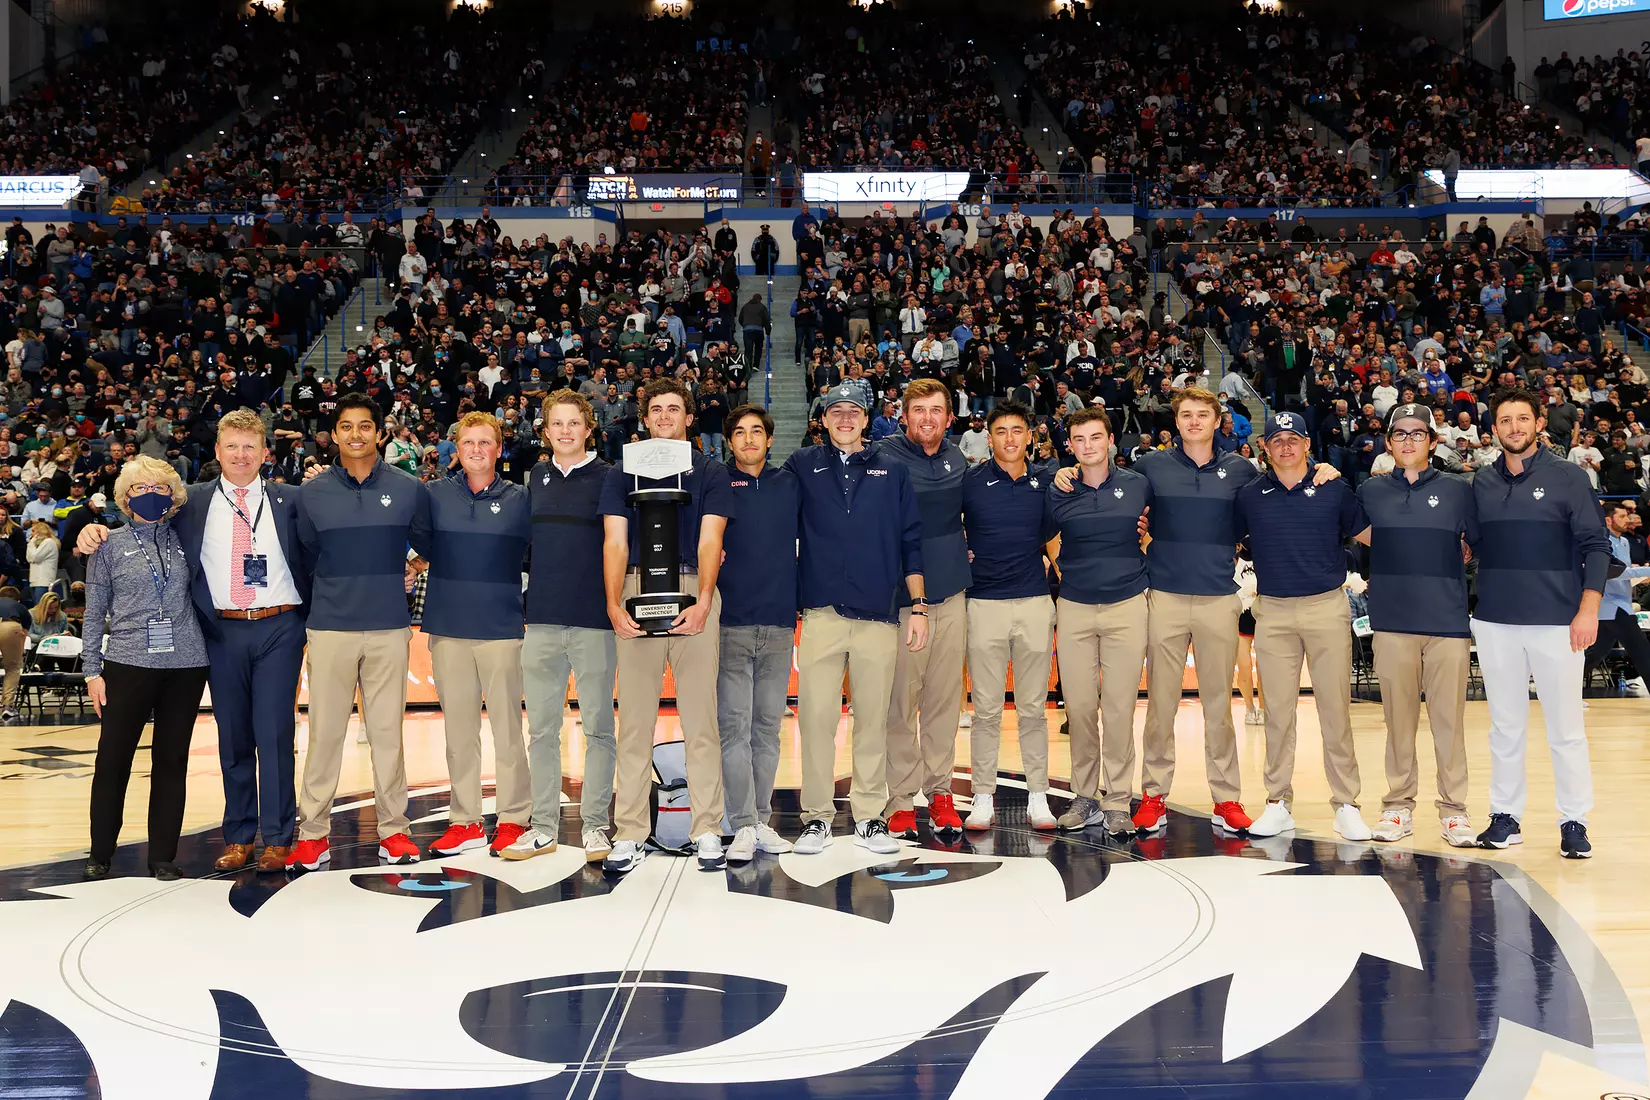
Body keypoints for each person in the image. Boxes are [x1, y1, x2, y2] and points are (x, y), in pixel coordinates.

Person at [1052, 387, 1339, 834]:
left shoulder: (1241, 470)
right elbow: (1108, 485)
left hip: (1218, 598)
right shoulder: (1151, 468)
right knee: (1162, 704)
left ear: (1216, 419)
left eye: (1202, 414)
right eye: (1185, 414)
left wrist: (1321, 468)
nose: (1193, 422)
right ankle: (1152, 794)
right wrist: (1067, 470)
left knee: (1218, 706)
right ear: (1176, 419)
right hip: (1163, 596)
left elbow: (1283, 485)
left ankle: (1225, 798)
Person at [78, 409, 311, 874]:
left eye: (250, 447)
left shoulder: (294, 500)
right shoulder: (194, 504)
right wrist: (92, 529)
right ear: (218, 452)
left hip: (279, 627)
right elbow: (141, 519)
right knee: (233, 739)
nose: (241, 455)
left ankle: (280, 837)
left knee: (275, 732)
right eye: (232, 446)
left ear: (265, 452)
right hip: (219, 632)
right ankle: (240, 835)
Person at [287, 394, 432, 872]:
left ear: (380, 433)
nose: (356, 435)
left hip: (390, 627)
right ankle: (313, 835)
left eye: (365, 426)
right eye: (346, 426)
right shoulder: (312, 493)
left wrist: (413, 564)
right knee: (325, 734)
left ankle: (395, 831)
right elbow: (306, 555)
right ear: (334, 432)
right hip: (330, 627)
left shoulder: (409, 488)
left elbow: (431, 541)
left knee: (387, 734)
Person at [784, 382, 926, 856]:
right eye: (835, 412)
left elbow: (911, 541)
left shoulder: (894, 470)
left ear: (867, 420)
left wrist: (919, 606)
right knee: (816, 719)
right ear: (822, 420)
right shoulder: (803, 466)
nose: (845, 419)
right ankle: (817, 818)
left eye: (853, 412)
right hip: (821, 614)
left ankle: (868, 816)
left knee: (872, 720)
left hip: (878, 617)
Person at [1471, 387, 1612, 859]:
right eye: (1505, 420)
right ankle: (1505, 817)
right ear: (1494, 429)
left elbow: (1597, 546)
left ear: (1538, 423)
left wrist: (1588, 608)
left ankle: (1574, 820)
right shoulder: (1480, 483)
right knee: (1504, 726)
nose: (1515, 427)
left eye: (1523, 419)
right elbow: (1468, 543)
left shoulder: (1569, 477)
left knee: (1565, 728)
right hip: (1494, 622)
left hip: (1558, 623)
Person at [599, 378, 734, 874]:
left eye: (673, 409)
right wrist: (614, 604)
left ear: (689, 417)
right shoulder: (620, 472)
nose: (664, 417)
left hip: (693, 592)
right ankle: (631, 832)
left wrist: (702, 601)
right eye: (655, 409)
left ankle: (706, 830)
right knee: (634, 722)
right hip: (636, 592)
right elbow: (615, 541)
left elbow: (710, 538)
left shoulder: (710, 470)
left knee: (702, 721)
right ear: (644, 416)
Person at [1235, 412, 1372, 841]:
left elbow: (1373, 536)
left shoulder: (1334, 488)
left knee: (1335, 709)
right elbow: (1224, 541)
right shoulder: (1250, 495)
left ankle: (1347, 804)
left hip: (1326, 607)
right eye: (1277, 440)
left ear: (1308, 444)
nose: (1286, 446)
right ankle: (1277, 802)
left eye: (1294, 439)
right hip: (1272, 611)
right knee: (1277, 713)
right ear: (1266, 448)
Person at [1354, 403, 1479, 847]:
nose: (1408, 440)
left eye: (1417, 433)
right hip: (1391, 621)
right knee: (1398, 721)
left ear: (1432, 440)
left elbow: (1479, 541)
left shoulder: (1458, 490)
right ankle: (1398, 806)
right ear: (1388, 443)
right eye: (1400, 434)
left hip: (1447, 622)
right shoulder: (1369, 491)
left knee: (1449, 722)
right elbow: (1357, 533)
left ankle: (1454, 811)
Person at [81, 456, 210, 881]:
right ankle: (101, 852)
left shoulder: (187, 539)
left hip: (187, 664)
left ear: (173, 497)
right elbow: (94, 609)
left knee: (171, 760)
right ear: (125, 497)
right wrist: (91, 670)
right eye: (140, 489)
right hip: (127, 662)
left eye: (159, 489)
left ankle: (163, 856)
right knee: (112, 760)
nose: (150, 496)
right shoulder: (107, 545)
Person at [503, 390, 618, 863]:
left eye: (575, 423)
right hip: (543, 624)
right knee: (542, 731)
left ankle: (595, 825)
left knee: (598, 730)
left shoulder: (609, 477)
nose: (566, 431)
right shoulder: (537, 475)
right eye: (557, 424)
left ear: (588, 428)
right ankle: (544, 826)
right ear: (545, 431)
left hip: (594, 623)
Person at [414, 412, 533, 859]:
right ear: (456, 449)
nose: (478, 450)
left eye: (486, 442)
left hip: (502, 628)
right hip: (448, 627)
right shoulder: (433, 495)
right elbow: (420, 548)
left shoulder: (521, 498)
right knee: (459, 733)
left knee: (507, 730)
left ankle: (513, 818)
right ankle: (464, 821)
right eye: (469, 443)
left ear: (499, 449)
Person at [1044, 407, 1148, 838]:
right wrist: (1063, 568)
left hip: (1127, 604)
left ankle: (1118, 798)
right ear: (1071, 445)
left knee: (1120, 706)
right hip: (1075, 606)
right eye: (1079, 439)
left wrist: (1144, 541)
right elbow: (1047, 535)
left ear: (1110, 441)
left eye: (1095, 437)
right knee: (1082, 707)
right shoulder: (1059, 489)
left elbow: (1156, 530)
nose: (1088, 446)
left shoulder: (1138, 484)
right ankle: (1085, 796)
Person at [958, 401, 1058, 831]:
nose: (1010, 438)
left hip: (1035, 603)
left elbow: (1055, 541)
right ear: (989, 437)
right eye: (1001, 431)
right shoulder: (971, 482)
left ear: (1029, 436)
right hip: (983, 604)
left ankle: (1039, 796)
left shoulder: (1047, 484)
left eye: (1018, 430)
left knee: (1035, 709)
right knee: (986, 710)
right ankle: (983, 796)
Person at [878, 378, 971, 838]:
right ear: (904, 415)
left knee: (942, 703)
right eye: (919, 410)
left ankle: (939, 794)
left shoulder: (957, 458)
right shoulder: (885, 457)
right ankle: (899, 799)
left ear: (949, 418)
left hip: (952, 594)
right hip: (901, 603)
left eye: (937, 410)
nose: (928, 418)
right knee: (901, 704)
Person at [716, 404, 798, 862]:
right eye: (739, 433)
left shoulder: (790, 483)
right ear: (730, 442)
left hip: (780, 621)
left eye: (756, 432)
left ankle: (761, 820)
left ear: (769, 439)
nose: (748, 440)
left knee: (767, 728)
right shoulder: (718, 484)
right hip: (731, 625)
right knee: (735, 729)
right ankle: (742, 824)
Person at [1587, 501, 1650, 695]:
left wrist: (1639, 576)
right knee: (1641, 650)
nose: (1627, 520)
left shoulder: (1624, 542)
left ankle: (1558, 688)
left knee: (1594, 654)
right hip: (1610, 603)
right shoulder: (1602, 542)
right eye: (1621, 517)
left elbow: (1625, 573)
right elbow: (1612, 572)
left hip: (1620, 603)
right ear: (1608, 520)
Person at [0, 585, 27, 722]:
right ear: (17, 600)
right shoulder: (19, 607)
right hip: (10, 626)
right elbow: (24, 634)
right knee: (13, 668)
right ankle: (7, 706)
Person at [27, 519, 57, 602]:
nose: (31, 534)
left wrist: (31, 542)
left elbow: (35, 557)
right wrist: (31, 543)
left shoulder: (49, 542)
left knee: (41, 608)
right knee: (36, 608)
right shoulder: (34, 544)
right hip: (34, 580)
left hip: (43, 582)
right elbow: (29, 558)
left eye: (33, 531)